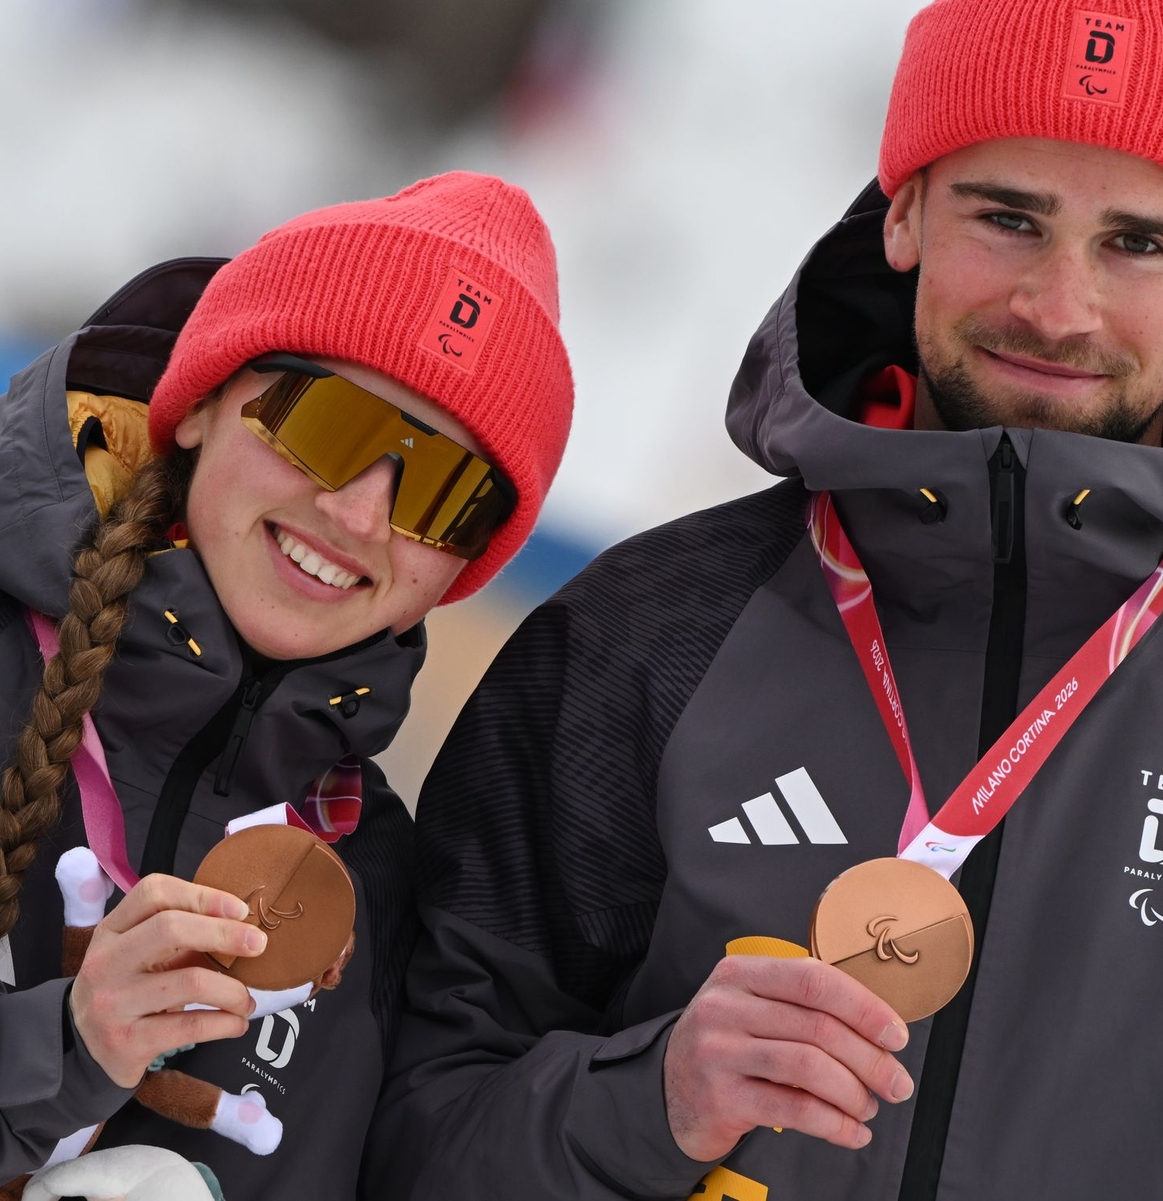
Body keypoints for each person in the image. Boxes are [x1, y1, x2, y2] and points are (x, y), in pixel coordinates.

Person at [362, 3, 1163, 1198]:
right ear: (902, 212)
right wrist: (645, 1103)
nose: (1059, 308)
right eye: (1008, 219)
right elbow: (404, 1140)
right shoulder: (650, 631)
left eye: (1138, 244)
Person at [0, 170, 572, 1199]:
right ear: (202, 401)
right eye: (330, 427)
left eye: (441, 491)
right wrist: (55, 1051)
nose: (362, 517)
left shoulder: (377, 880)